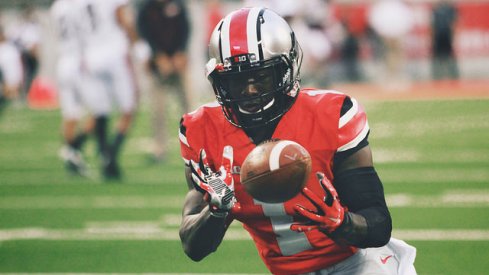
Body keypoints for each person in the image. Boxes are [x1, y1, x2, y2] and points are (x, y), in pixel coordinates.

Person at [178, 7, 417, 275]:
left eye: (261, 76)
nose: (250, 90)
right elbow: (193, 247)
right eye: (237, 80)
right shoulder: (202, 130)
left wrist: (343, 223)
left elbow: (378, 225)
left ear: (284, 69)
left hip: (360, 263)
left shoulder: (331, 114)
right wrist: (215, 211)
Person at [78, 0, 139, 180]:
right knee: (129, 108)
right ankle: (110, 155)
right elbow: (121, 18)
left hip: (91, 56)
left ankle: (104, 155)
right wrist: (139, 45)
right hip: (114, 54)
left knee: (100, 112)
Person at [137, 0, 191, 162]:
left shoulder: (178, 5)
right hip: (157, 66)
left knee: (189, 108)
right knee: (158, 110)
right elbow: (143, 34)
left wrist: (181, 52)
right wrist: (156, 55)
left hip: (178, 62)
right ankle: (159, 149)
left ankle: (196, 145)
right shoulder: (146, 8)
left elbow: (186, 28)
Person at [51, 0, 93, 177]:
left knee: (70, 114)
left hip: (64, 62)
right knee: (98, 111)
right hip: (80, 61)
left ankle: (71, 152)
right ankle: (74, 150)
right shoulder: (82, 5)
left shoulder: (57, 7)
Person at [431, 0, 458, 80]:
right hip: (438, 36)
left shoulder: (450, 9)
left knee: (449, 56)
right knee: (438, 56)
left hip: (447, 35)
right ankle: (437, 76)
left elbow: (455, 22)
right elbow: (432, 25)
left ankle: (453, 76)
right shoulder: (435, 9)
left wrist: (454, 35)